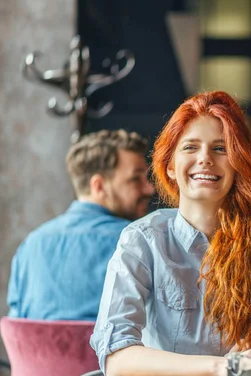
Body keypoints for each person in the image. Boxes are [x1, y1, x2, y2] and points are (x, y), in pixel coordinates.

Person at [90, 91, 251, 376]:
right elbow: (116, 356)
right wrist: (221, 366)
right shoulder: (142, 240)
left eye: (220, 149)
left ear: (239, 164)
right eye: (190, 147)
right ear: (170, 166)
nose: (204, 159)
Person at [7, 129, 154, 321]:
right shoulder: (138, 243)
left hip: (37, 353)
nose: (149, 189)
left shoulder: (30, 245)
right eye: (135, 179)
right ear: (99, 186)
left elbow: (17, 327)